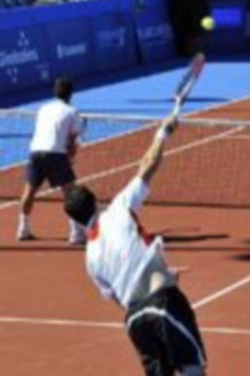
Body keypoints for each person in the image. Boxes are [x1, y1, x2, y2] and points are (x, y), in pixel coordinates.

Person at [63, 114, 207, 376]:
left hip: (135, 321)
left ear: (75, 220)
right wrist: (162, 133)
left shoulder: (90, 259)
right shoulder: (119, 208)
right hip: (163, 303)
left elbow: (120, 296)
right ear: (95, 201)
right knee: (193, 369)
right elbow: (148, 164)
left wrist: (160, 275)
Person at [17, 77, 86, 245]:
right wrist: (70, 158)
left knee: (29, 191)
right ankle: (76, 234)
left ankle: (23, 229)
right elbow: (71, 142)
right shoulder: (72, 112)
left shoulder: (43, 108)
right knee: (70, 192)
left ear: (55, 92)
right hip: (56, 154)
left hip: (36, 152)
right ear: (71, 94)